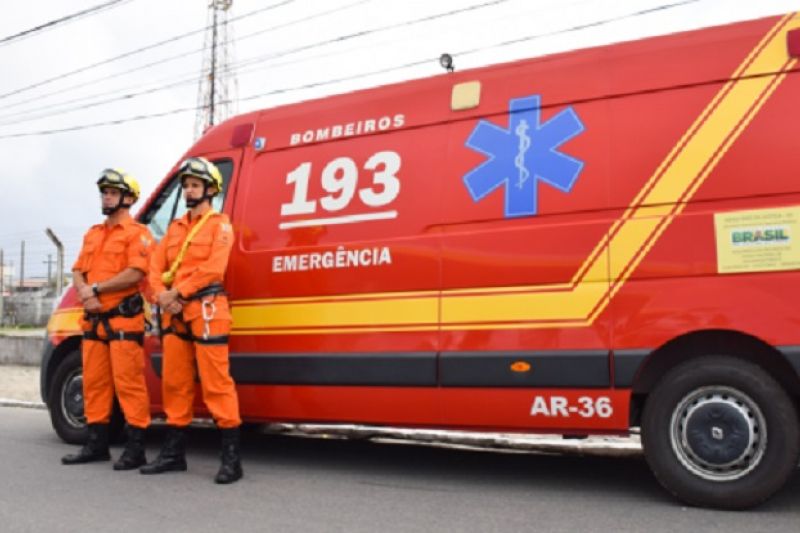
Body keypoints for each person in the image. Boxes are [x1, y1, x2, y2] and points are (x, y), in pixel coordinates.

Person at [140, 156, 242, 484]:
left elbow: (214, 269)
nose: (188, 190)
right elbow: (155, 268)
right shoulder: (174, 228)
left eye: (195, 185)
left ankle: (231, 459)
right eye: (186, 185)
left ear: (211, 189)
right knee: (174, 382)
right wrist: (160, 296)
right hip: (174, 313)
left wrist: (177, 293)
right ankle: (174, 454)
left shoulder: (220, 225)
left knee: (216, 384)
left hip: (206, 309)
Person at [62, 169, 153, 470]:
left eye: (112, 192)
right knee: (94, 384)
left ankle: (136, 448)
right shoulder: (93, 234)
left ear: (128, 198)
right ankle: (96, 444)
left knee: (129, 384)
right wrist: (84, 292)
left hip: (124, 321)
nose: (106, 197)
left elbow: (136, 273)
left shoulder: (137, 234)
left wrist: (97, 288)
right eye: (104, 192)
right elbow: (77, 269)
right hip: (94, 320)